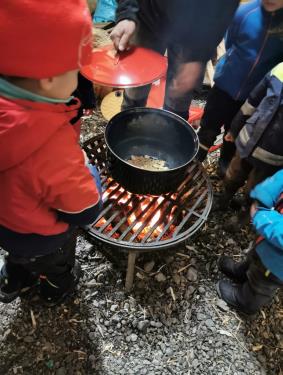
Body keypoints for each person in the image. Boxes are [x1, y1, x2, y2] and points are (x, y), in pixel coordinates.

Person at [0, 0, 102, 306]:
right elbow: (84, 209)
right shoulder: (49, 143)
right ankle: (56, 288)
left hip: (7, 223)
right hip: (42, 234)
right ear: (47, 78)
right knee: (55, 259)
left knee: (20, 255)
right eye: (75, 71)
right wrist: (91, 173)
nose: (78, 80)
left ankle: (14, 279)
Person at [110, 0, 239, 120]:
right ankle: (128, 127)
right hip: (147, 15)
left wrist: (199, 55)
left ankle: (170, 137)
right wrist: (127, 13)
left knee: (179, 98)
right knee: (135, 88)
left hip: (195, 29)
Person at [196, 0, 283, 175]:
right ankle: (197, 156)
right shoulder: (244, 13)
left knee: (234, 133)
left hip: (252, 96)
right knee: (209, 123)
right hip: (225, 84)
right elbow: (230, 42)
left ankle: (224, 163)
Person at [214, 62, 283, 224]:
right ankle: (224, 198)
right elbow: (253, 100)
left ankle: (242, 216)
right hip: (248, 140)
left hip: (272, 154)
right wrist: (235, 128)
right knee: (234, 173)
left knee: (256, 188)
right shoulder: (280, 69)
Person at [217, 170, 283, 315]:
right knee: (255, 258)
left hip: (278, 263)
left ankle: (245, 301)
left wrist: (263, 217)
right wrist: (265, 195)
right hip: (266, 241)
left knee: (262, 283)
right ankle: (243, 272)